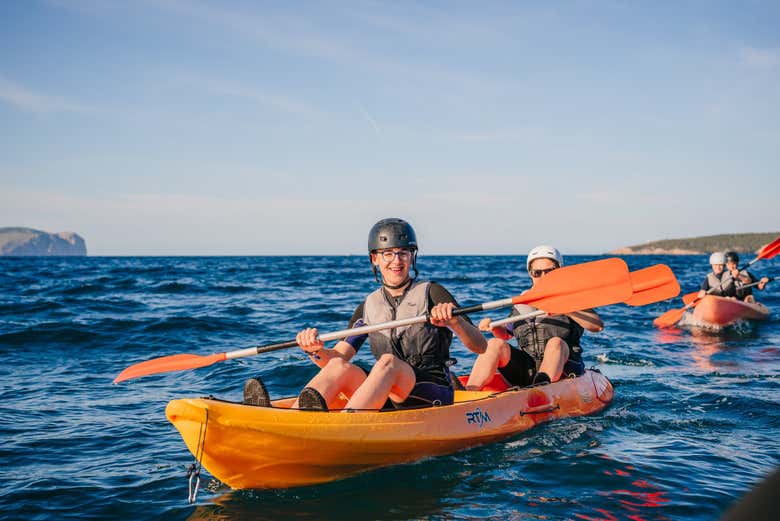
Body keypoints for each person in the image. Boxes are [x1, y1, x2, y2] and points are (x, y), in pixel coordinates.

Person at [243, 218, 487, 411]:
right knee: (339, 366)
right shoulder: (369, 305)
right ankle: (291, 419)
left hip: (431, 390)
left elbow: (480, 346)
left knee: (387, 363)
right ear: (375, 259)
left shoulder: (433, 292)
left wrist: (454, 321)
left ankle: (347, 426)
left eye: (403, 253)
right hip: (389, 392)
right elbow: (337, 357)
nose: (396, 261)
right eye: (388, 253)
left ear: (412, 256)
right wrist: (315, 351)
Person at [465, 245, 603, 390]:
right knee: (494, 343)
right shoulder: (523, 302)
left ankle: (542, 388)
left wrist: (566, 309)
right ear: (531, 274)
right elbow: (506, 334)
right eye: (537, 272)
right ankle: (469, 394)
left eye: (549, 271)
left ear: (559, 271)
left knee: (556, 342)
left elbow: (597, 326)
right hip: (527, 370)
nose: (543, 277)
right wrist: (493, 326)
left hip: (564, 369)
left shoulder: (570, 298)